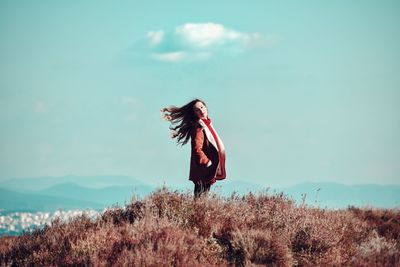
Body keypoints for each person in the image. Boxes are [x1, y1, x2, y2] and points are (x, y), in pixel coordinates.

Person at [161, 98, 226, 199]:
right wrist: (207, 162)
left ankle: (199, 214)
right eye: (197, 110)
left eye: (202, 107)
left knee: (202, 199)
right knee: (200, 199)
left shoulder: (207, 124)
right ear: (194, 113)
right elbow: (197, 148)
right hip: (203, 168)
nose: (201, 110)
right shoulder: (199, 127)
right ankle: (197, 215)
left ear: (206, 107)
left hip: (206, 168)